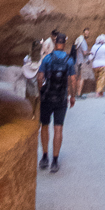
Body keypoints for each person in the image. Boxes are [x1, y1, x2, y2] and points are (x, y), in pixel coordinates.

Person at [37, 32, 76, 172]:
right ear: (64, 43)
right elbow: (72, 80)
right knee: (58, 128)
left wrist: (41, 91)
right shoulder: (69, 60)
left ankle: (44, 157)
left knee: (45, 126)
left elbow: (40, 77)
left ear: (55, 42)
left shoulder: (47, 58)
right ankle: (54, 161)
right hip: (61, 98)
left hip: (47, 97)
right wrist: (72, 96)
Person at [21, 40, 41, 118]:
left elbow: (24, 67)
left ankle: (31, 113)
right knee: (37, 97)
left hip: (29, 79)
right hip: (37, 79)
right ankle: (34, 113)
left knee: (30, 97)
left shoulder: (27, 58)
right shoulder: (41, 58)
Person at [74, 26, 91, 98]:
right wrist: (90, 53)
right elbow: (85, 53)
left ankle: (77, 93)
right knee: (82, 78)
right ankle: (79, 94)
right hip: (83, 62)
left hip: (77, 61)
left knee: (78, 78)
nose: (87, 34)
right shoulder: (83, 42)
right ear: (84, 33)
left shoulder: (78, 41)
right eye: (86, 33)